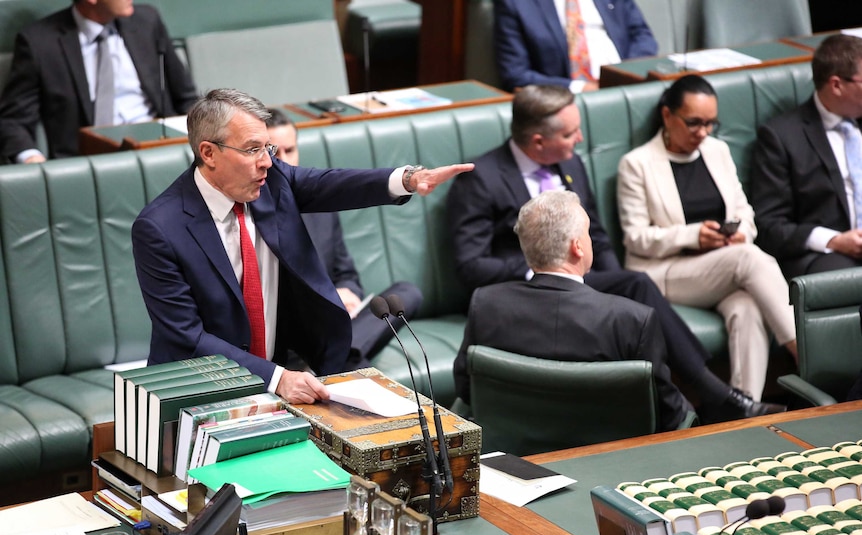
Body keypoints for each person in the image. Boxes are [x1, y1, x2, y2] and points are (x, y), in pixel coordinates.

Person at [447, 83, 783, 422]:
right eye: (571, 133)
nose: (580, 139)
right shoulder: (481, 179)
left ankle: (695, 398)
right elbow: (469, 266)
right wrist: (539, 269)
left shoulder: (571, 164)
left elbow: (597, 236)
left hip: (580, 281)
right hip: (525, 287)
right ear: (538, 141)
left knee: (630, 291)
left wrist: (602, 284)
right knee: (637, 285)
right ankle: (710, 394)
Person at [132, 88, 473, 404]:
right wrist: (277, 378)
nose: (266, 161)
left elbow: (330, 183)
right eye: (252, 149)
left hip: (275, 379)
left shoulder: (271, 182)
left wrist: (407, 179)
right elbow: (186, 336)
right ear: (209, 153)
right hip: (195, 391)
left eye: (268, 149)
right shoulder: (159, 228)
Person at [616, 74, 798, 402]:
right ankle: (803, 351)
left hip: (722, 267)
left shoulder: (718, 151)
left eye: (711, 123)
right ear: (668, 116)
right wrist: (693, 236)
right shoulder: (637, 164)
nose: (703, 132)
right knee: (750, 258)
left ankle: (743, 407)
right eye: (694, 122)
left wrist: (740, 233)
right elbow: (635, 238)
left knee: (747, 307)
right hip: (667, 271)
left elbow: (744, 211)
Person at [453, 191, 693, 431]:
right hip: (610, 457)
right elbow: (667, 413)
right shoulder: (633, 320)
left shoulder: (486, 304)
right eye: (587, 234)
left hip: (517, 457)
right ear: (577, 247)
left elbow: (466, 388)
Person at [265, 108, 423, 369]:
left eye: (290, 150)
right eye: (275, 153)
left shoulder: (321, 206)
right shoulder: (255, 209)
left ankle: (341, 356)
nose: (285, 161)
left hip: (336, 322)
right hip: (294, 333)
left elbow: (345, 272)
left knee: (407, 293)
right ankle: (343, 358)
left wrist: (347, 293)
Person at [0, 0, 198, 163]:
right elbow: (14, 120)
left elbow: (186, 97)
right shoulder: (39, 42)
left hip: (161, 150)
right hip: (88, 164)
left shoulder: (147, 21)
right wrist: (30, 158)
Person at [750, 33, 862, 279]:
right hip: (826, 255)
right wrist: (833, 240)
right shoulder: (781, 136)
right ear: (836, 85)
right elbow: (769, 226)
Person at [493, 0, 657, 93]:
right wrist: (581, 88)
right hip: (566, 99)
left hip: (627, 87)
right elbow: (515, 74)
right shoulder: (515, 4)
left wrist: (625, 76)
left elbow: (643, 37)